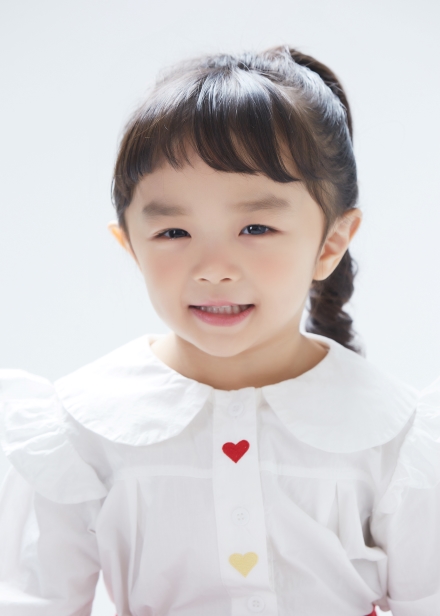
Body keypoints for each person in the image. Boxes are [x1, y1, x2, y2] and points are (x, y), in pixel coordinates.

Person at [0, 45, 439, 616]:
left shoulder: (395, 433)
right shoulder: (81, 427)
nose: (213, 268)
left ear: (330, 243)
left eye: (255, 227)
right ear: (130, 246)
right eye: (173, 233)